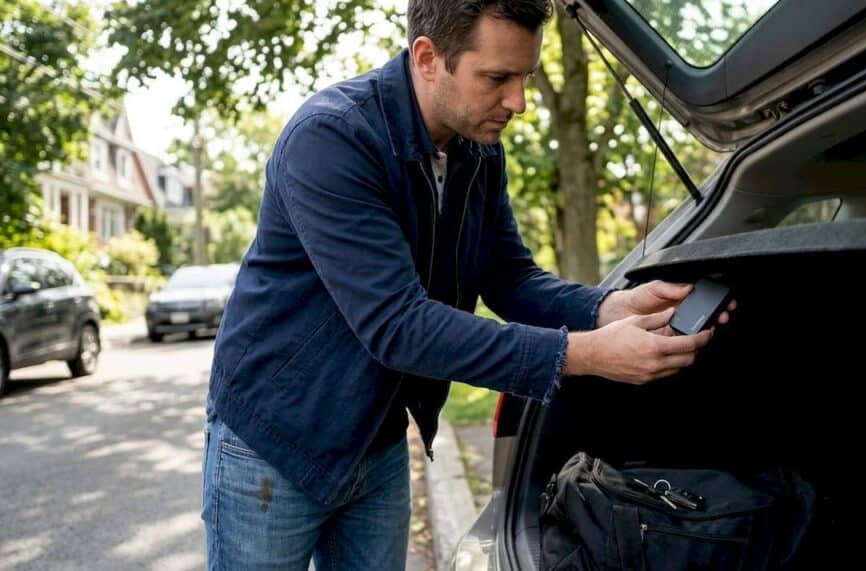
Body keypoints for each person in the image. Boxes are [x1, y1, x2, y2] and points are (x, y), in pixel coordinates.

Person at [201, 0, 734, 569]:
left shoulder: (478, 149)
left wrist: (609, 307)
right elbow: (399, 326)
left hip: (376, 440)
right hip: (275, 442)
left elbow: (508, 277)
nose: (518, 102)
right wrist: (586, 355)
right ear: (428, 58)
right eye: (498, 78)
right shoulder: (332, 138)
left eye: (525, 76)